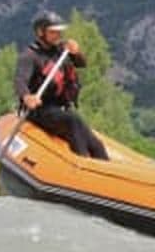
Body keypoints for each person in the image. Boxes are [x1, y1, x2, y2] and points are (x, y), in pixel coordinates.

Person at [14, 10, 109, 160]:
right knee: (72, 121)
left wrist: (76, 52)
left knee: (96, 144)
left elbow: (81, 63)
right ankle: (82, 163)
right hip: (39, 110)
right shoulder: (30, 56)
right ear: (40, 32)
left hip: (59, 109)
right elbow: (20, 81)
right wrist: (27, 97)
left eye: (59, 32)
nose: (58, 35)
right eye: (53, 32)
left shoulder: (61, 49)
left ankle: (105, 172)